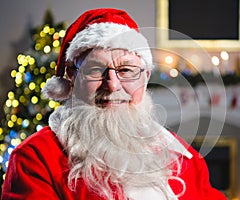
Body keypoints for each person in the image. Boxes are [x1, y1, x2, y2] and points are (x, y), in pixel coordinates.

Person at [1, 8, 226, 200]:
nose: (112, 85)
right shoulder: (35, 158)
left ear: (145, 77)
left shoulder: (181, 156)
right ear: (71, 77)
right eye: (95, 70)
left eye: (126, 70)